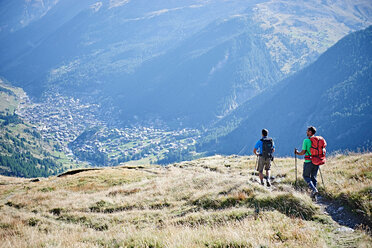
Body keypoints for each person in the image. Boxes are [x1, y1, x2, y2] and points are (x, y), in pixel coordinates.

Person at [295, 126, 319, 200]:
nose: (306, 132)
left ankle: (313, 189)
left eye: (307, 131)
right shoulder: (318, 140)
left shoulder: (306, 141)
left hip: (308, 161)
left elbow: (303, 152)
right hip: (317, 161)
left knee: (306, 176)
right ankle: (314, 197)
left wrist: (297, 153)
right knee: (313, 178)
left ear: (310, 132)